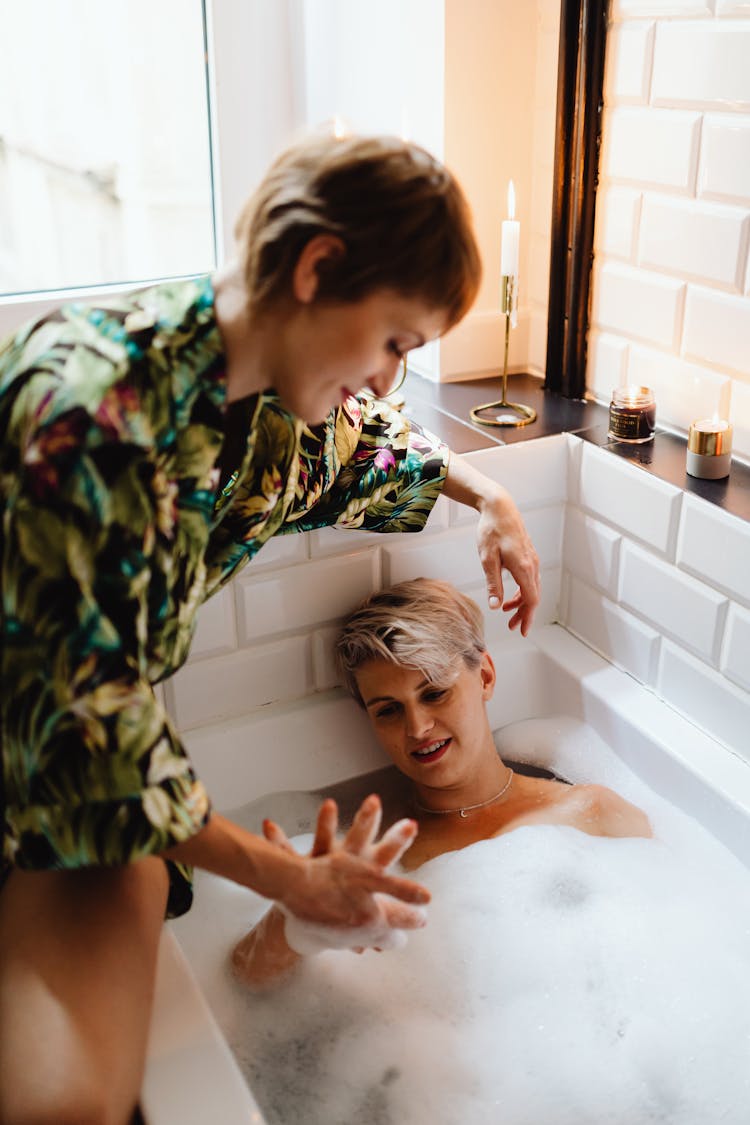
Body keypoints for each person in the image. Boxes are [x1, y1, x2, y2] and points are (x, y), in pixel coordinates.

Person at [0, 135, 540, 1124]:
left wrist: (494, 496)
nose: (388, 382)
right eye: (395, 342)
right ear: (318, 266)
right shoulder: (88, 415)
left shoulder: (268, 414)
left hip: (80, 767)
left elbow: (374, 451)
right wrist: (291, 881)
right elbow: (88, 722)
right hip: (41, 749)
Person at [231, 578, 651, 989]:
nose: (417, 728)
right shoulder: (371, 856)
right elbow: (245, 979)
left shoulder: (590, 813)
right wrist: (293, 918)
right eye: (389, 711)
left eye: (434, 694)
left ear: (485, 676)